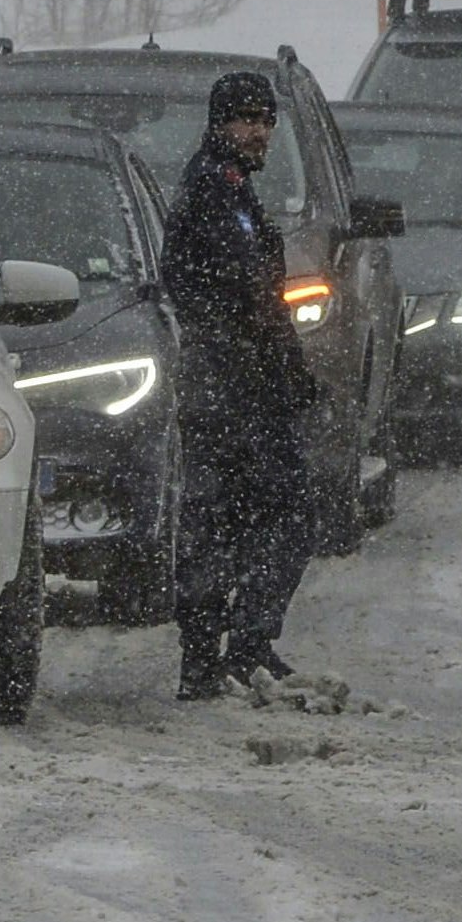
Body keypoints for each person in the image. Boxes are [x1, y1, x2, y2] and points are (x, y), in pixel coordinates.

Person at [163, 71, 321, 699]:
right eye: (245, 120)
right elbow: (244, 300)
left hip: (237, 387)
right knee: (272, 517)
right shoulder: (213, 195)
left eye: (265, 120)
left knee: (240, 518)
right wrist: (276, 370)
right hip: (231, 390)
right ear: (219, 123)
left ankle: (227, 652)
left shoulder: (229, 192)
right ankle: (229, 651)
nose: (258, 133)